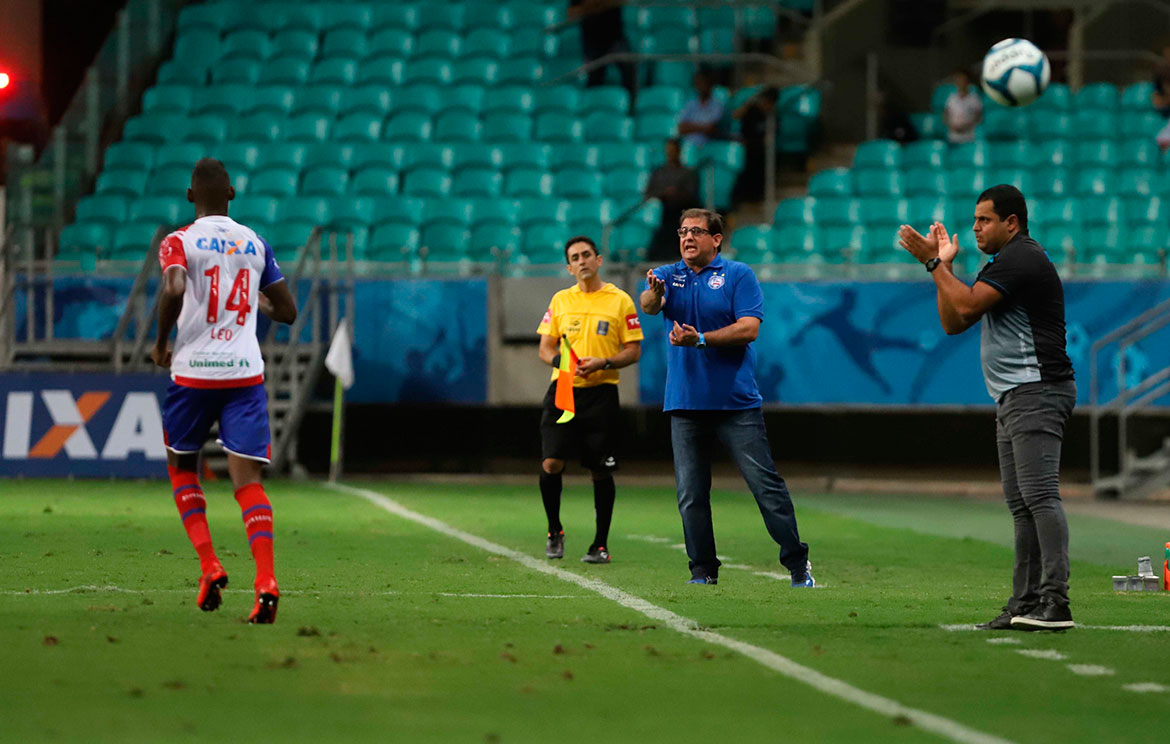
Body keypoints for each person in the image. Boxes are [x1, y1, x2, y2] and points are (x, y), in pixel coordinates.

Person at [897, 185, 1076, 632]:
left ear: (1011, 223)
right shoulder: (1001, 263)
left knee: (1039, 497)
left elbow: (965, 303)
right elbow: (954, 321)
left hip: (1037, 389)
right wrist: (946, 267)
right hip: (1015, 394)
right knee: (1022, 505)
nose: (975, 227)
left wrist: (932, 263)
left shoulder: (1022, 257)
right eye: (975, 220)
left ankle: (1056, 601)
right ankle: (1025, 602)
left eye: (984, 220)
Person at [151, 158, 298, 624]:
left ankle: (210, 564)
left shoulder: (178, 241)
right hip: (243, 373)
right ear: (231, 195)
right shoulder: (255, 242)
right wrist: (258, 303)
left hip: (194, 373)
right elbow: (288, 311)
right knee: (248, 483)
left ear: (190, 197)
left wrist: (160, 343)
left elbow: (174, 287)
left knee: (181, 466)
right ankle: (266, 581)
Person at [640, 208, 814, 587]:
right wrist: (654, 295)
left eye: (696, 232)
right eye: (682, 231)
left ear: (716, 239)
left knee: (765, 486)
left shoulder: (738, 275)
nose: (687, 238)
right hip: (685, 403)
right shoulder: (670, 275)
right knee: (691, 494)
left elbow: (749, 329)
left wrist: (700, 338)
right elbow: (649, 305)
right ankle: (702, 570)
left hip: (736, 404)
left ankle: (797, 563)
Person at [537, 236, 643, 563]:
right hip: (565, 390)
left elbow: (633, 350)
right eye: (575, 257)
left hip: (601, 394)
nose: (582, 261)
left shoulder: (620, 300)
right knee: (552, 462)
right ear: (569, 267)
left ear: (598, 260)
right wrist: (562, 363)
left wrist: (605, 362)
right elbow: (545, 348)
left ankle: (600, 544)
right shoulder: (560, 300)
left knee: (600, 470)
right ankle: (555, 530)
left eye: (586, 255)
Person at [568, 0, 637, 102]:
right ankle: (592, 108)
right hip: (592, 41)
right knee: (594, 79)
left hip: (615, 38)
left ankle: (631, 108)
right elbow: (571, 14)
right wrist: (592, 7)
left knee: (629, 70)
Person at [645, 138, 699, 261]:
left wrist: (676, 194)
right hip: (663, 215)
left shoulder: (688, 173)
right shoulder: (659, 172)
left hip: (681, 215)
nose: (671, 153)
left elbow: (691, 195)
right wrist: (664, 193)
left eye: (674, 150)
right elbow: (649, 192)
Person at [730, 86, 780, 209]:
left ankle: (757, 197)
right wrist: (748, 104)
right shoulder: (751, 111)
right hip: (746, 147)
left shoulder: (773, 116)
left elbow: (772, 136)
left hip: (761, 151)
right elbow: (735, 115)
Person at [677, 69, 725, 147]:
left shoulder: (717, 105)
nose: (701, 86)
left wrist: (690, 126)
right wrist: (703, 127)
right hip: (688, 147)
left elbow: (711, 129)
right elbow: (681, 128)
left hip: (708, 146)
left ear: (710, 84)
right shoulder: (690, 104)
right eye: (698, 83)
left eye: (703, 83)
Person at [943, 69, 982, 145]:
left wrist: (965, 127)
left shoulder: (974, 98)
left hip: (969, 138)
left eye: (962, 79)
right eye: (957, 79)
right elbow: (945, 115)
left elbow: (979, 118)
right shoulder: (951, 98)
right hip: (952, 138)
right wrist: (951, 126)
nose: (960, 81)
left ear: (967, 81)